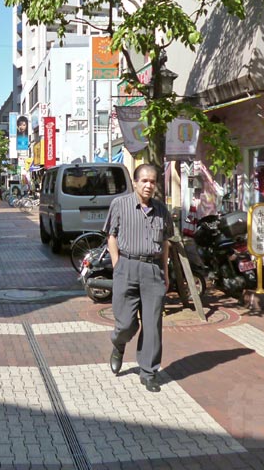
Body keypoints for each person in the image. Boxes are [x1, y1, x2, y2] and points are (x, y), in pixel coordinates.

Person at [104, 163, 174, 392]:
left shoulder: (162, 210)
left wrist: (165, 272)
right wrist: (117, 265)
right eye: (144, 180)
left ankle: (149, 371)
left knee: (153, 325)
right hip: (127, 266)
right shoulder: (120, 205)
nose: (148, 185)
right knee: (125, 322)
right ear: (135, 182)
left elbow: (165, 243)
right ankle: (119, 343)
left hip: (153, 270)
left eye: (153, 181)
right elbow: (111, 236)